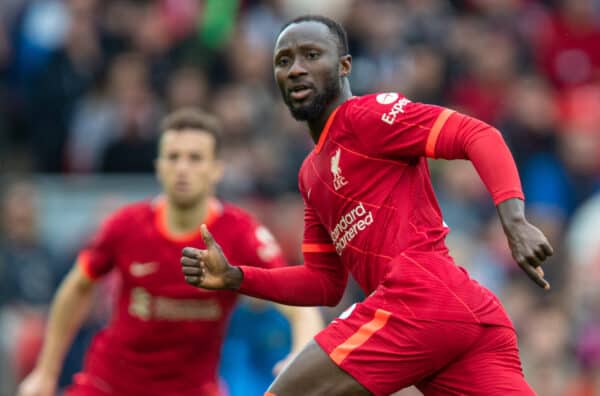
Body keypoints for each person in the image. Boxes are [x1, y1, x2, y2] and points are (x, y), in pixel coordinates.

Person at [181, 15, 555, 396]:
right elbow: (323, 284)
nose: (295, 69)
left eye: (311, 55)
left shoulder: (368, 116)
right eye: (284, 61)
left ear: (344, 66)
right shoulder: (311, 174)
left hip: (420, 298)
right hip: (457, 313)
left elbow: (477, 134)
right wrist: (236, 278)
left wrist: (515, 220)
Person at [17, 108, 323, 396]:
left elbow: (299, 302)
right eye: (173, 157)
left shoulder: (241, 234)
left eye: (194, 158)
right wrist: (45, 371)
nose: (182, 168)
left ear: (216, 169)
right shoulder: (126, 226)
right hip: (109, 384)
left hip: (192, 388)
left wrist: (300, 354)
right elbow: (76, 287)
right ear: (159, 167)